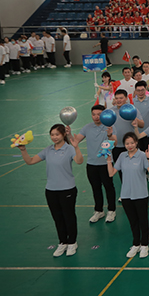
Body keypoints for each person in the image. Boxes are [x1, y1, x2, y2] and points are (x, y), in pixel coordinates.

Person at [18, 124, 84, 257]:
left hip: (67, 189)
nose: (54, 137)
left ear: (63, 135)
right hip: (51, 190)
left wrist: (76, 147)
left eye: (57, 134)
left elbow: (79, 161)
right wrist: (23, 149)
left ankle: (72, 242)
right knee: (57, 218)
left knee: (68, 216)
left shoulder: (69, 149)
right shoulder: (47, 150)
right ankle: (62, 242)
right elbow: (30, 161)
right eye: (52, 134)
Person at [107, 132, 149, 259]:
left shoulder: (142, 156)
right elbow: (111, 173)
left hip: (140, 194)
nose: (129, 145)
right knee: (133, 221)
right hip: (126, 195)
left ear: (136, 143)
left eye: (132, 143)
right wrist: (108, 161)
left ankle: (145, 244)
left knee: (143, 221)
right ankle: (136, 243)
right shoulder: (122, 156)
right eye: (127, 143)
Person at [74, 105, 118, 224]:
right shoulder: (87, 127)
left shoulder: (110, 127)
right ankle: (99, 210)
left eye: (99, 114)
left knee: (109, 187)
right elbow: (76, 140)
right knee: (95, 188)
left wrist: (109, 134)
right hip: (91, 164)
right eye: (94, 114)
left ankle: (111, 210)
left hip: (105, 164)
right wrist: (68, 134)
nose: (96, 117)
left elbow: (114, 142)